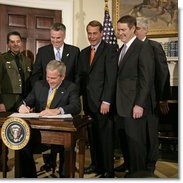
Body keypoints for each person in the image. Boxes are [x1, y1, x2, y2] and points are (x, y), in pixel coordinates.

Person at [115, 17, 171, 175]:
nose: (120, 33)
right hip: (123, 104)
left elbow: (147, 79)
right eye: (118, 30)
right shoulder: (122, 48)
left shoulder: (144, 47)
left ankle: (139, 174)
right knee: (128, 142)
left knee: (138, 143)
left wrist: (140, 104)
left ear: (133, 29)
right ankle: (132, 171)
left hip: (137, 104)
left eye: (123, 30)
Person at [30, 22, 80, 171]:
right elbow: (35, 75)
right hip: (47, 98)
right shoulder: (43, 51)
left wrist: (73, 93)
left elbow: (78, 76)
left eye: (58, 38)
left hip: (66, 98)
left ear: (64, 36)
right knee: (46, 135)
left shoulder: (74, 51)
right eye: (52, 38)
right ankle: (48, 163)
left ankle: (65, 166)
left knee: (65, 138)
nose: (55, 41)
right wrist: (38, 94)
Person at [18, 60, 81, 178]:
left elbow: (76, 106)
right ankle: (29, 178)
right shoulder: (39, 85)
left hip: (60, 133)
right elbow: (27, 101)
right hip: (39, 131)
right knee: (22, 143)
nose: (49, 80)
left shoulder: (71, 87)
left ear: (62, 77)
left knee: (67, 148)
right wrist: (22, 106)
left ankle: (65, 178)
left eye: (53, 78)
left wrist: (57, 110)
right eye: (48, 77)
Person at [77, 20, 118, 178]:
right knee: (92, 136)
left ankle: (108, 170)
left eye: (95, 33)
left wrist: (106, 101)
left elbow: (111, 77)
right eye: (89, 33)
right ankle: (96, 165)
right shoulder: (84, 52)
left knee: (105, 138)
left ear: (101, 33)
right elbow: (81, 78)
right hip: (88, 103)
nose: (92, 36)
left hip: (103, 103)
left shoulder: (110, 49)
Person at [0, 31, 32, 171]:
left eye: (18, 41)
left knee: (23, 131)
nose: (16, 44)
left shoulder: (26, 60)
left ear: (21, 42)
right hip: (7, 101)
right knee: (4, 133)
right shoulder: (2, 59)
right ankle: (1, 160)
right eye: (12, 42)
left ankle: (22, 162)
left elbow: (29, 83)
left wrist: (29, 102)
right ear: (8, 44)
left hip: (23, 102)